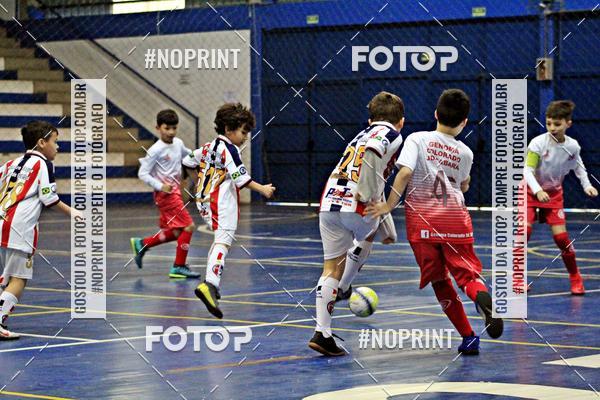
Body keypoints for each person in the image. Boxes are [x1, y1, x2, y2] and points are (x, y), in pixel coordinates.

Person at [367, 89, 503, 355]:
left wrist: (388, 205)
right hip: (455, 221)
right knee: (467, 276)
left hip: (423, 224)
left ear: (436, 114)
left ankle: (468, 337)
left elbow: (404, 173)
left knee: (440, 280)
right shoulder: (465, 152)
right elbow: (463, 185)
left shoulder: (417, 138)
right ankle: (480, 296)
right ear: (464, 122)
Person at [309, 91, 405, 356]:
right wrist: (366, 194)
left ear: (370, 119)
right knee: (369, 234)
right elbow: (373, 154)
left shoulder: (360, 134)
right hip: (356, 202)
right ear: (401, 121)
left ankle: (322, 333)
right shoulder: (392, 134)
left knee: (330, 267)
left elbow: (372, 169)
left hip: (330, 200)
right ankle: (344, 286)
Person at [185, 103, 275, 319]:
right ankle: (210, 284)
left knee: (220, 240)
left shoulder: (207, 147)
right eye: (243, 132)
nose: (245, 137)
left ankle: (212, 283)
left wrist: (198, 181)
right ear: (228, 129)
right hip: (221, 200)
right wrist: (263, 189)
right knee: (223, 242)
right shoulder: (230, 149)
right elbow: (241, 178)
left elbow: (187, 161)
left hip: (204, 200)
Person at [0, 121, 79, 340]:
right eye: (55, 141)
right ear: (42, 143)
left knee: (5, 276)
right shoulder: (43, 164)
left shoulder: (11, 164)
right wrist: (73, 212)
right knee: (18, 278)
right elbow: (49, 198)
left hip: (2, 221)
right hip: (20, 228)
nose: (58, 146)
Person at [525, 100, 598, 295]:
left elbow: (579, 167)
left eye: (557, 124)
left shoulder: (573, 146)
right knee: (523, 233)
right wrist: (537, 190)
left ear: (568, 124)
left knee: (561, 238)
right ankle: (516, 278)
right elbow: (527, 171)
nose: (552, 128)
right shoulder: (538, 143)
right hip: (530, 192)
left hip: (554, 194)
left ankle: (575, 277)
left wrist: (587, 185)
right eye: (549, 123)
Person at [130, 109, 200, 279]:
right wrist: (160, 186)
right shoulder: (155, 150)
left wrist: (205, 155)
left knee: (177, 232)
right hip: (166, 196)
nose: (171, 132)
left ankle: (142, 244)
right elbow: (143, 173)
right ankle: (179, 266)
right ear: (158, 128)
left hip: (175, 193)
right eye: (167, 128)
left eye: (174, 128)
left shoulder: (178, 143)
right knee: (189, 226)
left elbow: (189, 154)